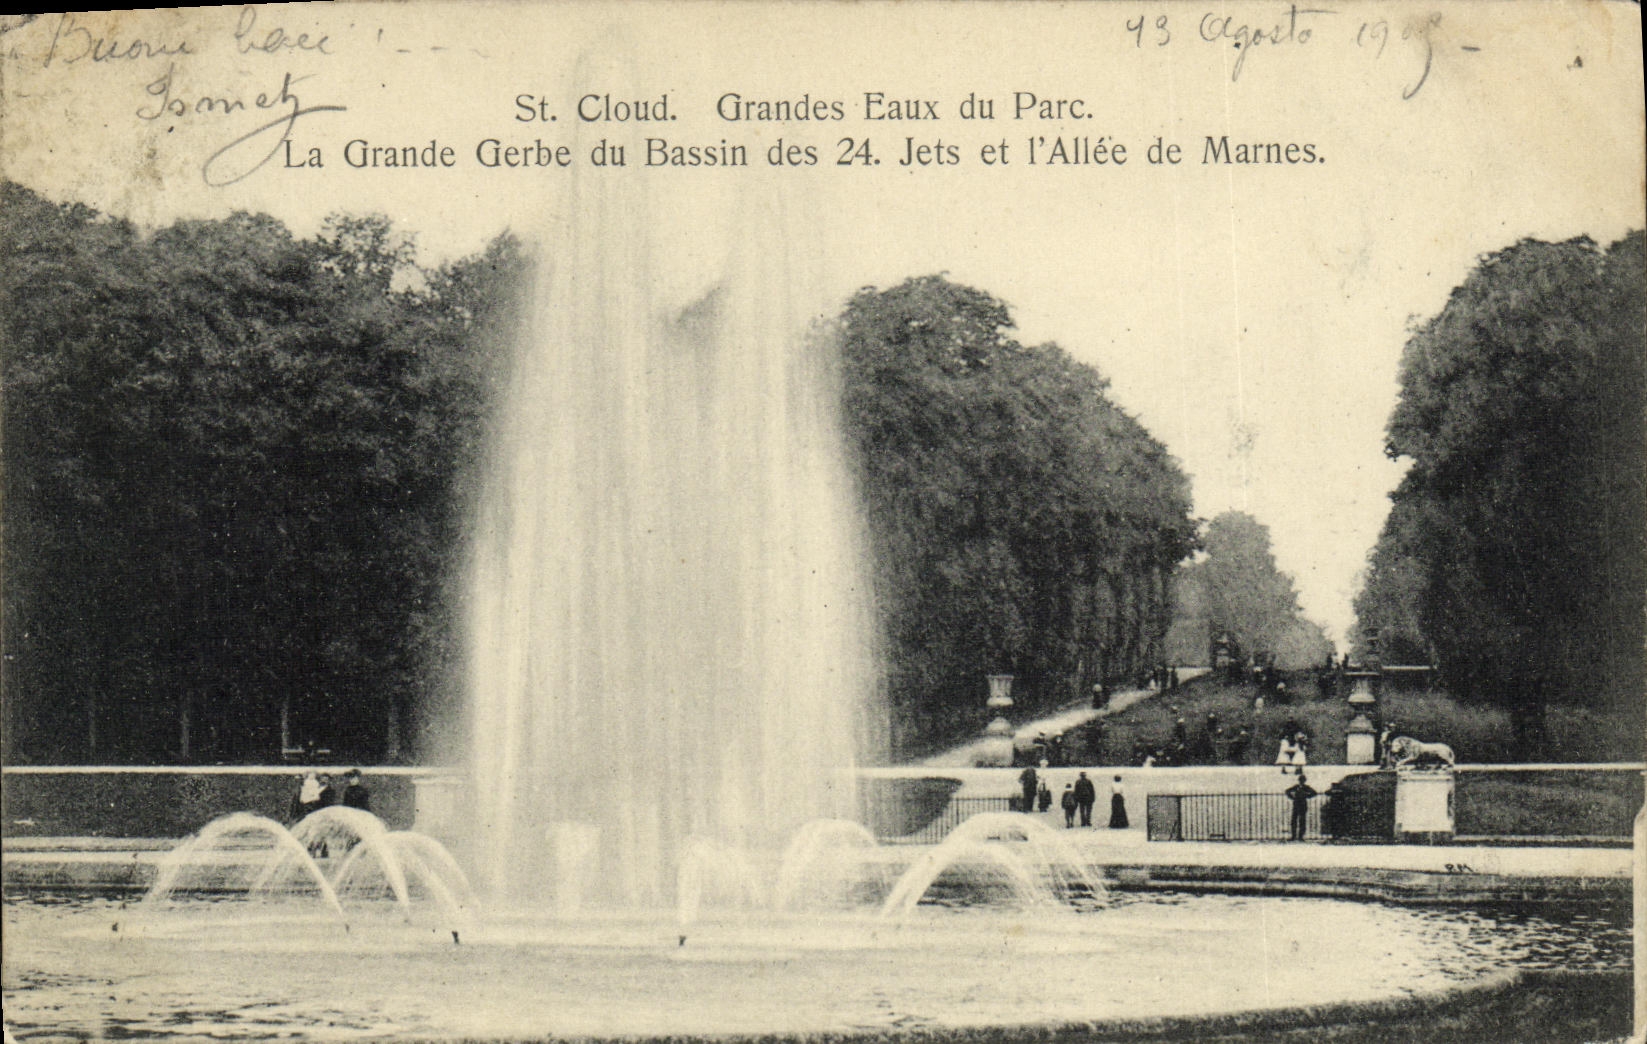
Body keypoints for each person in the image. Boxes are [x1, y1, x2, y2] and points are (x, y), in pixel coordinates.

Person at [1285, 772, 1318, 841]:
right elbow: (1287, 791)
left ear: (1304, 781)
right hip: (1296, 805)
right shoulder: (1296, 787)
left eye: (1302, 780)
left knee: (1302, 821)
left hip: (1303, 805)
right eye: (1300, 780)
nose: (1301, 781)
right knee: (1294, 821)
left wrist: (1307, 796)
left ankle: (1300, 836)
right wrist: (1292, 797)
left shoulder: (1306, 787)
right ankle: (1293, 836)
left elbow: (1314, 793)